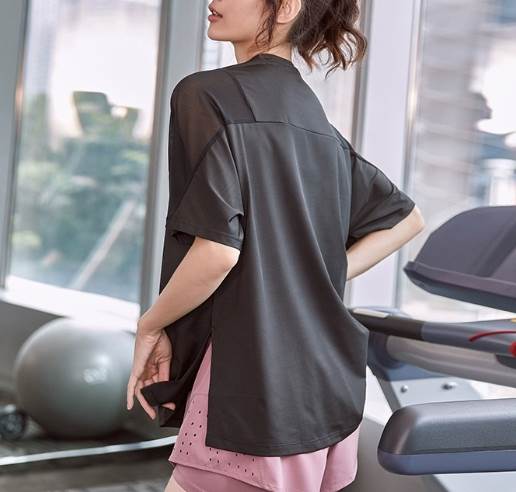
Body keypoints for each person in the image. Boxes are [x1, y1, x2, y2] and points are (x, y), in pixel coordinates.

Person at [126, 0, 426, 491]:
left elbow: (218, 252)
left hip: (253, 381)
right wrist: (312, 276)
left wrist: (150, 325)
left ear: (286, 7)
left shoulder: (205, 94)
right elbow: (406, 219)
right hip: (322, 385)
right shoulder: (313, 120)